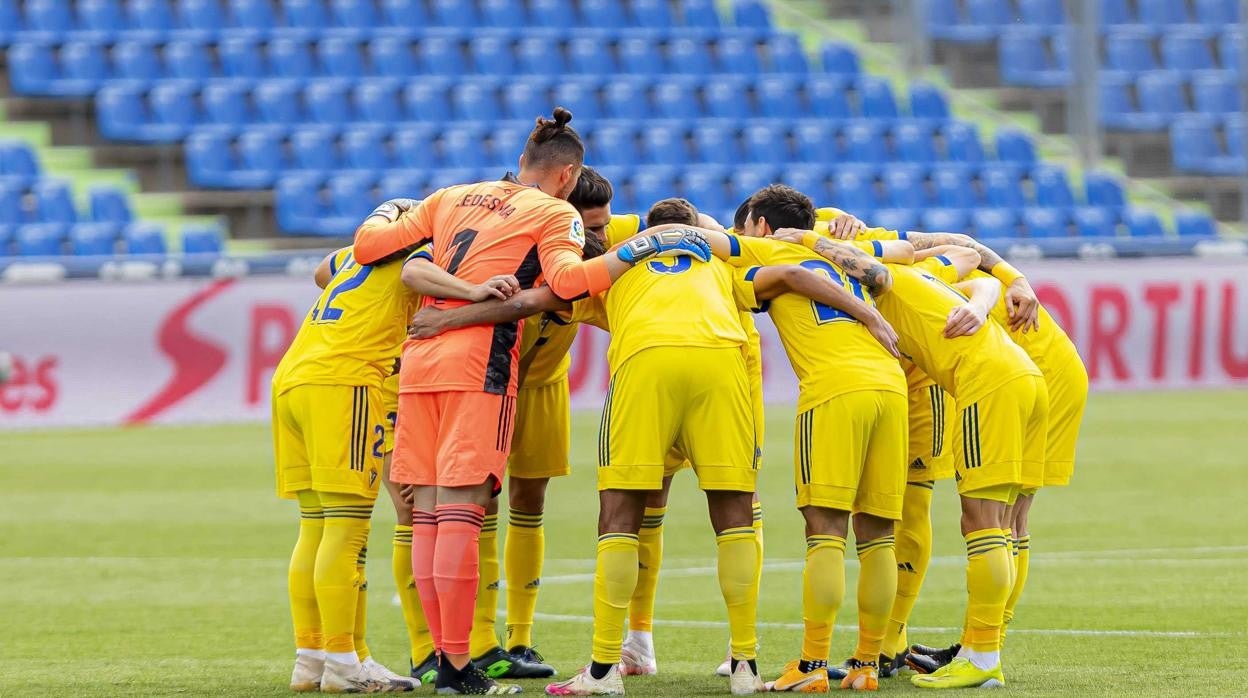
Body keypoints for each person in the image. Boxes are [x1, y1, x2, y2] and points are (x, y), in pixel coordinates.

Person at [351, 107, 710, 695]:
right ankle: (461, 669)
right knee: (463, 514)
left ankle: (440, 659)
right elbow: (567, 283)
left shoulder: (451, 195)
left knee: (430, 516)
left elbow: (369, 247)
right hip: (479, 364)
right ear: (567, 175)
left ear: (524, 160)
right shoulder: (555, 214)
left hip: (418, 360)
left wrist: (391, 213)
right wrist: (634, 251)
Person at [773, 225, 1047, 690]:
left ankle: (981, 655)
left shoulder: (891, 281)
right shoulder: (928, 277)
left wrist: (806, 240)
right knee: (999, 521)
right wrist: (980, 304)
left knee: (982, 522)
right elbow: (971, 264)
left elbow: (869, 268)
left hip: (986, 383)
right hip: (1023, 376)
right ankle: (976, 650)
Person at [273, 244, 431, 693]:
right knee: (347, 532)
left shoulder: (357, 255)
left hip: (292, 379)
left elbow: (321, 270)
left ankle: (312, 658)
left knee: (314, 528)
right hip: (344, 382)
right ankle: (345, 662)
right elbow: (418, 277)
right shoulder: (421, 255)